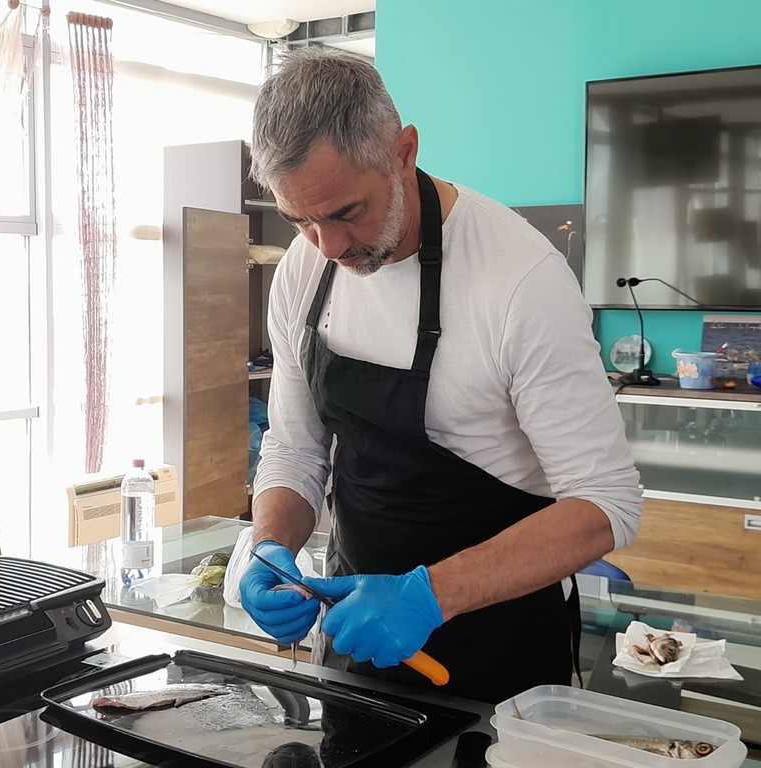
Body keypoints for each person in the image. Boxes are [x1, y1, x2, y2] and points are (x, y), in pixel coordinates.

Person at [238, 48, 642, 704]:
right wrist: (269, 547)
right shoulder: (303, 271)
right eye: (300, 221)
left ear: (403, 153)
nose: (328, 247)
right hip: (355, 638)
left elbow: (606, 503)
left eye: (346, 212)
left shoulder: (520, 280)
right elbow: (294, 449)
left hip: (502, 654)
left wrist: (427, 595)